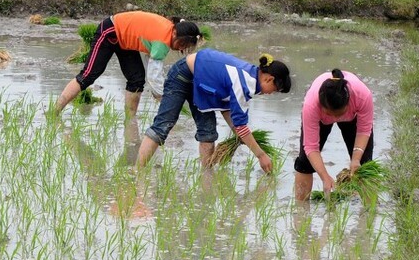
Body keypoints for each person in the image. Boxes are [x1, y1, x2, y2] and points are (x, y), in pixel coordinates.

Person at [136, 50, 291, 173]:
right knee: (163, 125)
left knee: (208, 134)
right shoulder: (245, 82)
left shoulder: (250, 78)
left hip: (202, 82)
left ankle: (206, 177)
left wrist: (239, 136)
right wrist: (261, 155)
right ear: (269, 79)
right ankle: (137, 173)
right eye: (275, 90)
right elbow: (241, 126)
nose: (271, 94)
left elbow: (227, 110)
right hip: (183, 74)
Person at [53, 12, 202, 116]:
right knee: (88, 75)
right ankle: (55, 111)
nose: (181, 48)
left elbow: (149, 63)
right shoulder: (163, 41)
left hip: (125, 41)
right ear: (176, 34)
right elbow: (154, 76)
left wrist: (158, 92)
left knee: (136, 80)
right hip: (111, 31)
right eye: (182, 44)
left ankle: (130, 120)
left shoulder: (169, 30)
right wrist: (163, 97)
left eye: (185, 47)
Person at [294, 68, 375, 200]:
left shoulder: (362, 95)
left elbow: (364, 130)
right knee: (305, 162)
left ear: (348, 103)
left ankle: (369, 213)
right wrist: (324, 176)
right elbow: (311, 147)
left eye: (339, 114)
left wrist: (356, 159)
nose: (335, 118)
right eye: (330, 114)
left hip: (352, 118)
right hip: (320, 120)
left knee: (364, 164)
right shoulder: (311, 105)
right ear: (321, 106)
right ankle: (301, 210)